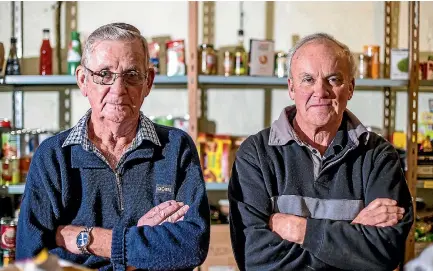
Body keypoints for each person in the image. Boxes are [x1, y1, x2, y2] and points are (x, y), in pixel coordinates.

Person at [16, 23, 210, 271]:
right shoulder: (53, 156)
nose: (118, 90)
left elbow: (190, 248)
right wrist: (138, 254)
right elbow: (30, 262)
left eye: (131, 75)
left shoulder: (175, 147)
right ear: (83, 80)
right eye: (104, 75)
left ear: (148, 82)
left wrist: (88, 240)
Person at [228, 33, 414, 271]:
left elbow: (385, 252)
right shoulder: (256, 155)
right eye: (307, 79)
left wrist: (300, 230)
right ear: (291, 88)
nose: (320, 91)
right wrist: (351, 233)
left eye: (333, 79)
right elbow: (255, 259)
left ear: (350, 88)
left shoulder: (378, 156)